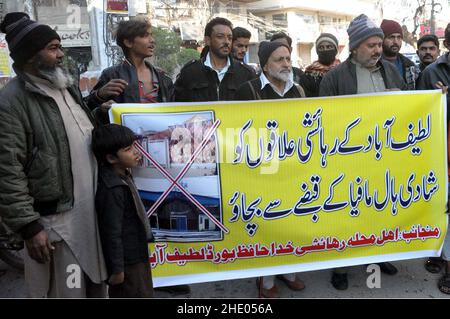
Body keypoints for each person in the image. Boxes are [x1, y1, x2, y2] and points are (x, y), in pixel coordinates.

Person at [0, 12, 107, 297]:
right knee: (69, 290)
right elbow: (7, 170)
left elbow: (73, 132)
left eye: (59, 46)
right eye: (52, 48)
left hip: (90, 214)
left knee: (95, 287)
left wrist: (100, 108)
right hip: (58, 225)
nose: (61, 54)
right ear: (30, 56)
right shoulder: (12, 102)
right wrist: (29, 226)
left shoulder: (65, 85)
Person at [320, 14, 406, 290]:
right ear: (355, 47)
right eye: (371, 45)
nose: (378, 50)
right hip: (348, 158)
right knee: (344, 216)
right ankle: (341, 266)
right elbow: (323, 121)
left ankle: (378, 255)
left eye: (379, 44)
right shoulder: (333, 78)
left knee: (379, 212)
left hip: (383, 158)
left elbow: (408, 107)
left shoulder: (391, 72)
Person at [235, 41, 306, 298]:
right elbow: (239, 131)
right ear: (265, 64)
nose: (286, 64)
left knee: (292, 221)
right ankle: (266, 281)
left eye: (288, 58)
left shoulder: (297, 89)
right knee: (268, 225)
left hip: (294, 166)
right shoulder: (249, 90)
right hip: (262, 170)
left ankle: (289, 272)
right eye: (279, 59)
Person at [92, 124, 154, 298]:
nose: (136, 152)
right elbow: (111, 232)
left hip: (136, 254)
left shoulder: (123, 176)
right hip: (128, 263)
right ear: (111, 158)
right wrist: (117, 270)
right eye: (128, 149)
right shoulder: (112, 189)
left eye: (135, 146)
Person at [87, 18, 174, 125]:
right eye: (145, 36)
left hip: (161, 138)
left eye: (151, 35)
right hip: (127, 139)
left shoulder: (162, 77)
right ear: (128, 42)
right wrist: (99, 96)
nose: (152, 40)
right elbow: (87, 110)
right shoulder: (111, 75)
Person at [417, 23, 450, 294]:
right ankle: (443, 259)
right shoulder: (432, 72)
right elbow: (420, 113)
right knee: (444, 207)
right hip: (443, 151)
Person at [174, 17, 257, 102]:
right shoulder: (190, 72)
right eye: (220, 37)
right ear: (208, 40)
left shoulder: (247, 73)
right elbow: (178, 109)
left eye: (229, 38)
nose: (226, 42)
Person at [270, 32, 314, 97]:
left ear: (290, 49)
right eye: (276, 47)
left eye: (283, 46)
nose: (280, 50)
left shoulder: (300, 76)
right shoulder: (262, 78)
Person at [380, 19, 417, 90]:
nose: (395, 42)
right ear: (382, 39)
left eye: (399, 37)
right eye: (391, 37)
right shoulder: (374, 65)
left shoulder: (409, 65)